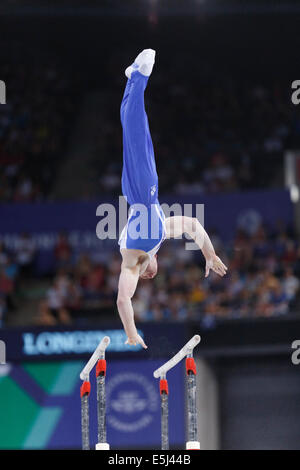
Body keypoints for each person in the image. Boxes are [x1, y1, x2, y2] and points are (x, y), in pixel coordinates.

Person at [117, 49, 227, 349]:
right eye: (154, 275)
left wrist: (130, 332)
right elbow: (193, 225)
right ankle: (136, 77)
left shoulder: (133, 261)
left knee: (132, 130)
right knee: (134, 129)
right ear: (156, 263)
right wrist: (209, 255)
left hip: (137, 192)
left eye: (147, 277)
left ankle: (136, 77)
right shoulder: (160, 235)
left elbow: (123, 298)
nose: (151, 275)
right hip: (146, 190)